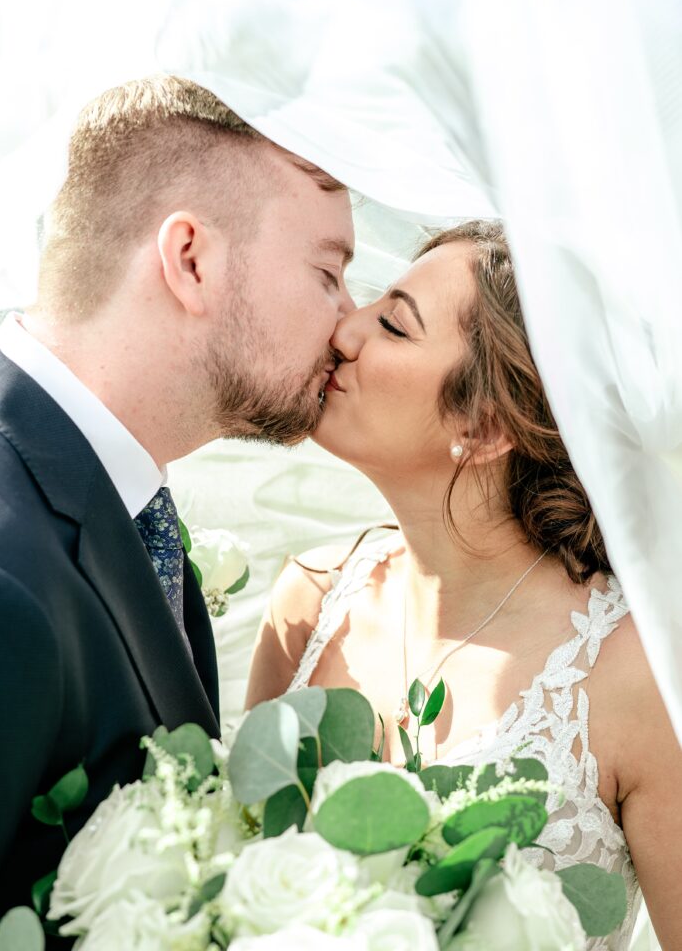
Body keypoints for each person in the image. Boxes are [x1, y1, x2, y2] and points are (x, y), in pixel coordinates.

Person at [246, 220, 682, 949]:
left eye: (391, 323)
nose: (344, 332)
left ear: (482, 428)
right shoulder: (307, 602)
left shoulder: (637, 675)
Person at [0, 74, 354, 914]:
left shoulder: (122, 513)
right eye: (328, 272)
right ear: (190, 260)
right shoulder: (9, 579)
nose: (348, 323)